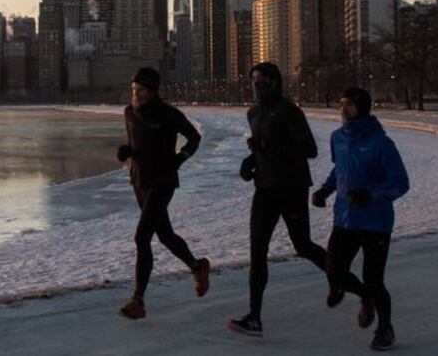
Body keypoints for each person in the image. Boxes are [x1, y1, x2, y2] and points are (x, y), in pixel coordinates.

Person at [227, 62, 329, 338]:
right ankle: (254, 317)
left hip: (292, 187)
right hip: (265, 188)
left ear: (275, 83)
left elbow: (310, 149)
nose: (257, 87)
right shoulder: (253, 113)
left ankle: (344, 279)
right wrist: (250, 161)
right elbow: (262, 147)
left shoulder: (289, 111)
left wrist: (268, 147)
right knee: (257, 252)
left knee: (304, 246)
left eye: (263, 82)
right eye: (254, 82)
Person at [311, 88, 409, 352]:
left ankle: (385, 329)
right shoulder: (337, 138)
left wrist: (371, 195)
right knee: (334, 271)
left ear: (363, 108)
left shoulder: (381, 143)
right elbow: (339, 169)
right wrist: (324, 190)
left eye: (350, 105)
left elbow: (400, 183)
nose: (343, 110)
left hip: (376, 222)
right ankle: (364, 296)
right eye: (341, 104)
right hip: (344, 219)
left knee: (374, 278)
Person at [116, 66, 211, 320]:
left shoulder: (168, 114)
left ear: (153, 91)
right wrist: (126, 152)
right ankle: (197, 266)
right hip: (139, 182)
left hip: (163, 181)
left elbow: (194, 138)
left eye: (142, 90)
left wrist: (180, 158)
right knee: (165, 235)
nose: (136, 94)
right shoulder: (129, 113)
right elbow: (136, 145)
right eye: (134, 89)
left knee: (141, 237)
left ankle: (138, 300)